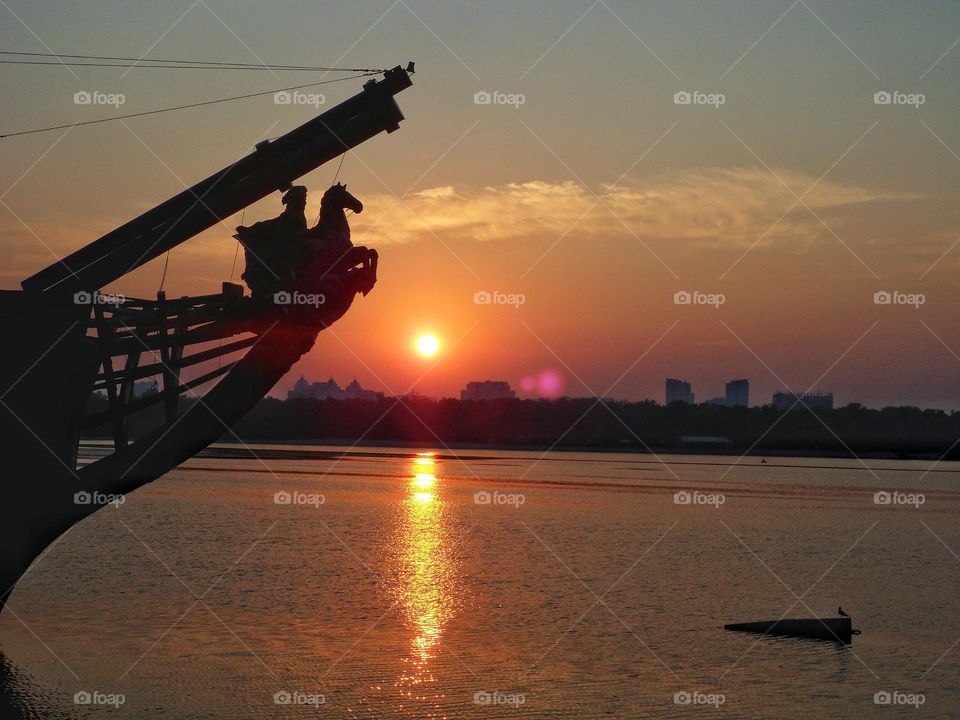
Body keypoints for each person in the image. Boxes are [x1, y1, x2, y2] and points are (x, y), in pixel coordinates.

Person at [235, 186, 308, 297]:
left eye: (305, 197)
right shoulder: (290, 218)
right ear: (296, 199)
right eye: (303, 197)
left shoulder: (295, 216)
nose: (305, 201)